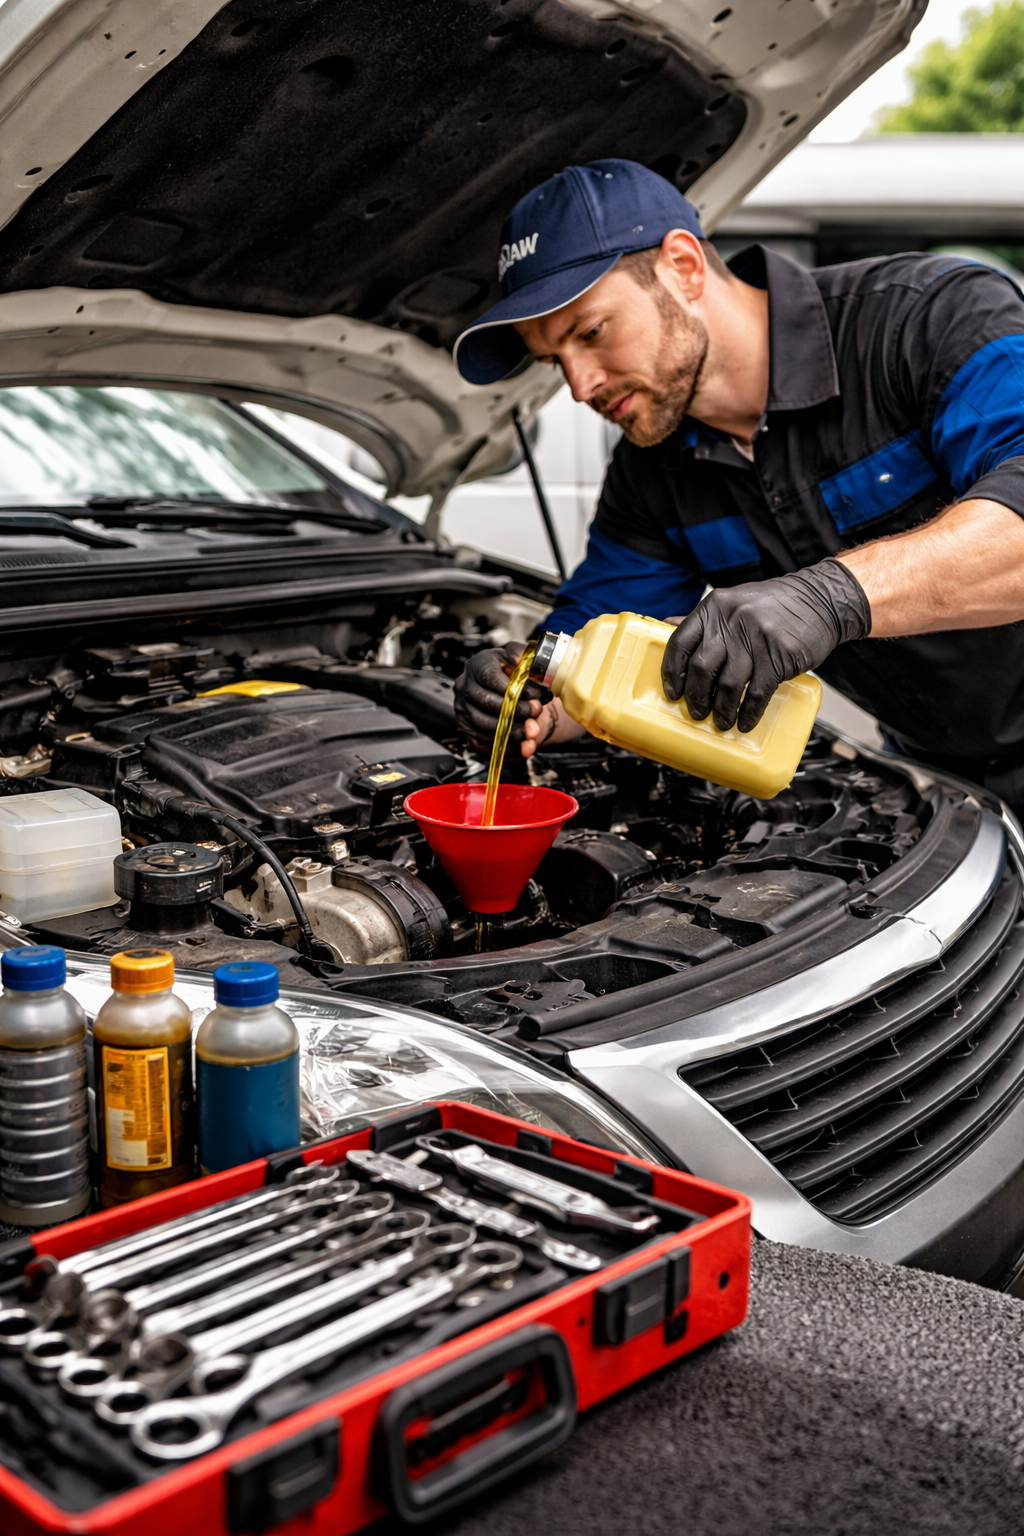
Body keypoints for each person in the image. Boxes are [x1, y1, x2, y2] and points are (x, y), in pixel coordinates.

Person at [451, 159, 1024, 815]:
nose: (580, 386)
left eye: (591, 333)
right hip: (941, 783)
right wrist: (528, 699)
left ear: (684, 267)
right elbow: (592, 650)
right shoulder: (652, 473)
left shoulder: (924, 319)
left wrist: (831, 597)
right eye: (557, 360)